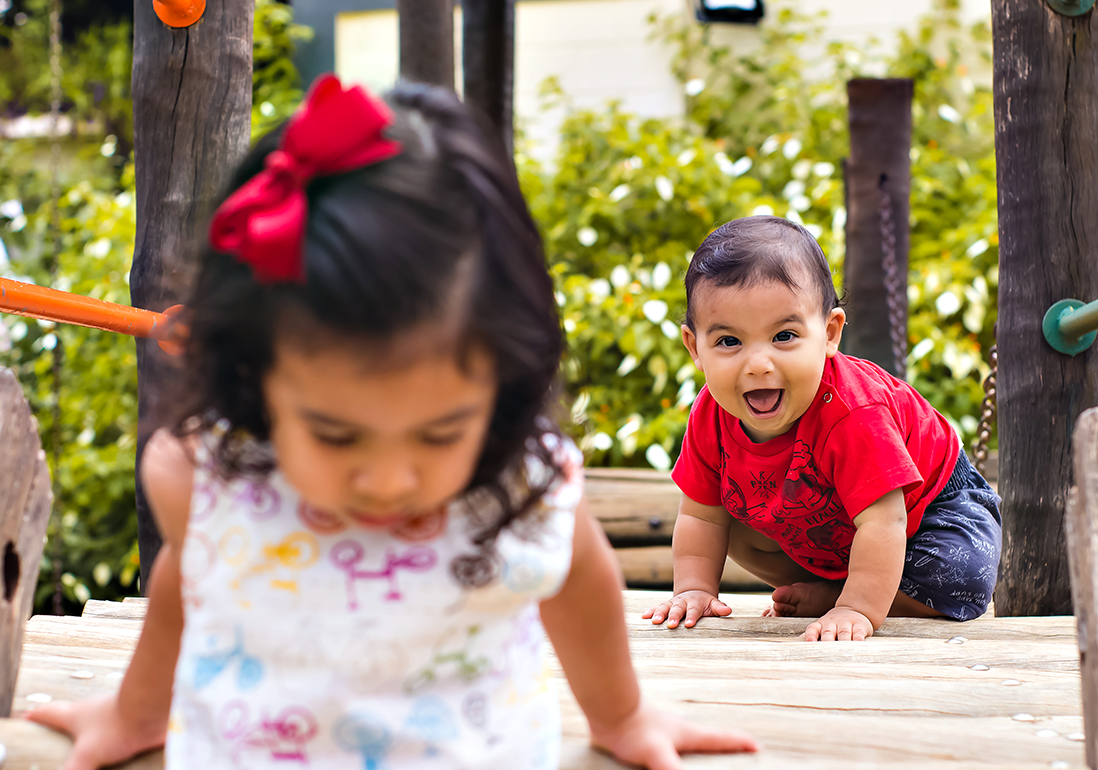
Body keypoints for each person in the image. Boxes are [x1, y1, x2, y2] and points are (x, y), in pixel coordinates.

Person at [26, 76, 758, 770]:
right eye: (334, 434)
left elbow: (581, 582)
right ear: (254, 371)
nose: (388, 478)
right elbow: (188, 587)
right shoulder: (205, 476)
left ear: (500, 381)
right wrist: (136, 715)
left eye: (441, 433)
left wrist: (622, 717)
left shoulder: (516, 483)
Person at [643, 215, 1001, 641]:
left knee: (963, 574)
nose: (758, 364)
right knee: (731, 526)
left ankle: (843, 594)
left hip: (929, 508)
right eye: (729, 342)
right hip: (834, 525)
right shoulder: (710, 415)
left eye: (784, 336)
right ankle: (836, 585)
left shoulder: (853, 411)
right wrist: (695, 589)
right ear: (694, 347)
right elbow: (700, 516)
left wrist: (855, 609)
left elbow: (885, 521)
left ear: (829, 334)